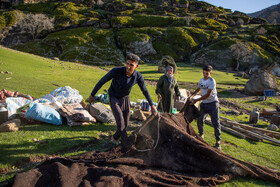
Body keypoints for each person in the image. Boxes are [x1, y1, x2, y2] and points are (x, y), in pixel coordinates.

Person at [88, 54, 157, 144]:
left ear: (136, 66)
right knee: (121, 123)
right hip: (114, 97)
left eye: (131, 65)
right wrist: (92, 95)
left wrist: (152, 105)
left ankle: (115, 137)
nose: (128, 67)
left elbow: (145, 90)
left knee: (125, 123)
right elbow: (102, 81)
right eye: (127, 64)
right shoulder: (116, 71)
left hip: (125, 98)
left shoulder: (138, 76)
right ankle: (126, 143)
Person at [188, 65, 221, 150]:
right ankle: (201, 135)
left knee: (215, 122)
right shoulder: (201, 80)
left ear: (210, 73)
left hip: (213, 104)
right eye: (203, 73)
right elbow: (197, 90)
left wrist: (196, 100)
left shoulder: (212, 81)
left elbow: (207, 95)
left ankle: (218, 142)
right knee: (200, 119)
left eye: (207, 73)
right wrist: (192, 96)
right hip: (204, 103)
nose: (205, 75)